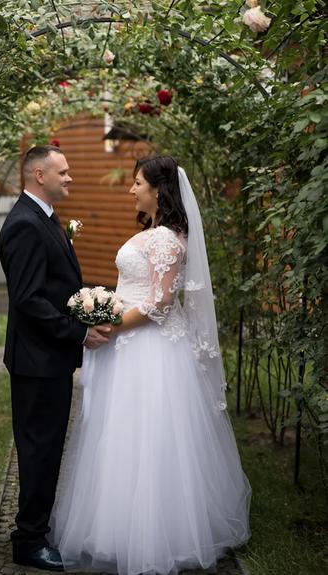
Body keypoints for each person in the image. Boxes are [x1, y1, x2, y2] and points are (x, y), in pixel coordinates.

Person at [50, 155, 251, 575]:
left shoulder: (164, 239)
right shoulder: (160, 233)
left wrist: (107, 325)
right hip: (135, 343)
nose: (131, 189)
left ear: (158, 189)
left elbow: (160, 302)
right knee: (123, 436)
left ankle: (156, 534)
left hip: (149, 349)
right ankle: (118, 525)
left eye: (137, 182)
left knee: (147, 438)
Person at [0, 145, 110, 571]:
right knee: (38, 450)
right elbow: (28, 299)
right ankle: (28, 541)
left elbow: (53, 287)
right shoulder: (25, 224)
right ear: (38, 175)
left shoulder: (43, 217)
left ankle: (36, 528)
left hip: (48, 359)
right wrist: (79, 331)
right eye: (63, 172)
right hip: (36, 361)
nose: (70, 178)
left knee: (46, 448)